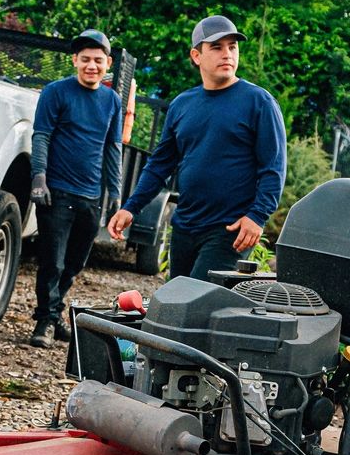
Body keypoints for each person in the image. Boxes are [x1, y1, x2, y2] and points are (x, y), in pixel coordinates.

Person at [109, 15, 286, 284]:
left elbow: (273, 168)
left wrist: (257, 216)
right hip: (185, 226)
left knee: (197, 303)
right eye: (217, 47)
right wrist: (131, 207)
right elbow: (160, 165)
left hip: (230, 230)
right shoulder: (182, 105)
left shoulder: (259, 102)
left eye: (232, 47)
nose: (227, 54)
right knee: (176, 303)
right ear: (196, 55)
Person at [28, 29, 124, 348]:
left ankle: (54, 314)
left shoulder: (112, 100)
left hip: (91, 195)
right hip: (57, 191)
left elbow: (113, 148)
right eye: (85, 59)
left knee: (74, 263)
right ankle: (44, 321)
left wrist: (116, 194)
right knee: (52, 260)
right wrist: (38, 176)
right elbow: (41, 135)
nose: (91, 66)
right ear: (75, 60)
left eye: (98, 60)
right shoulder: (56, 92)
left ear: (108, 63)